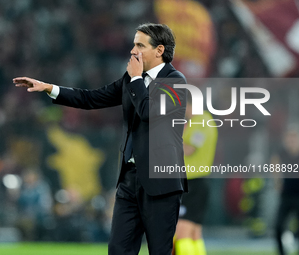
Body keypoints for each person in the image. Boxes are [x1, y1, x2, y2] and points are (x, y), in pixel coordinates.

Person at [14, 23, 188, 255]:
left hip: (160, 182)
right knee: (118, 249)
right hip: (129, 180)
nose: (132, 51)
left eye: (139, 45)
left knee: (159, 250)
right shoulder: (131, 79)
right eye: (133, 44)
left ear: (159, 50)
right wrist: (49, 88)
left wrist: (136, 80)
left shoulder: (174, 81)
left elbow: (149, 114)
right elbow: (91, 98)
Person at [173, 100, 218, 255]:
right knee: (195, 233)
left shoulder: (202, 121)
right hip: (197, 181)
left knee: (182, 232)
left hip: (193, 182)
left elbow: (191, 148)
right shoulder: (202, 121)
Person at [271, 127, 299, 255]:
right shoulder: (282, 153)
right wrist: (277, 181)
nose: (291, 141)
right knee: (278, 226)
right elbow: (274, 162)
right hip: (286, 196)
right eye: (289, 138)